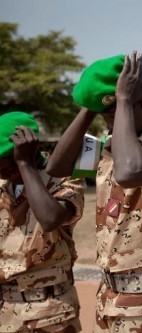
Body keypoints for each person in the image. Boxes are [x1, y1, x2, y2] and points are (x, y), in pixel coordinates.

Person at [46, 52, 142, 332]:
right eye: (105, 118)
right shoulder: (105, 144)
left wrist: (123, 100)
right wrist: (91, 105)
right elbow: (57, 167)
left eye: (115, 115)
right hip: (110, 299)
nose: (110, 125)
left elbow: (130, 172)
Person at [0, 112, 84, 332]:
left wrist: (25, 164)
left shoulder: (63, 177)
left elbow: (50, 219)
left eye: (2, 160)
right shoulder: (3, 186)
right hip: (6, 314)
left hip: (51, 314)